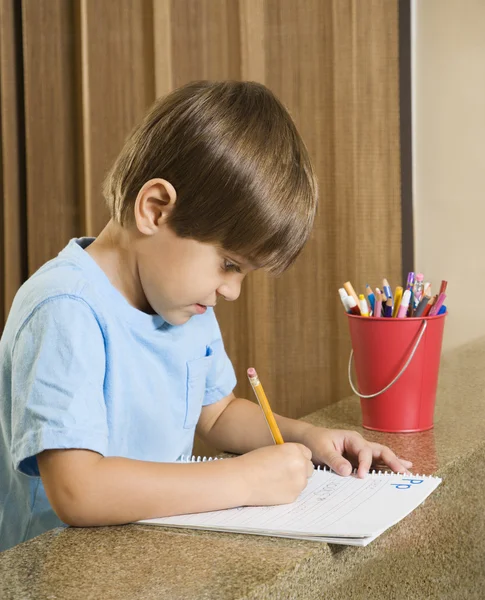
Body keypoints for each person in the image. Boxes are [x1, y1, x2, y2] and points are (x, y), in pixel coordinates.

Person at [0, 80, 412, 551]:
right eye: (228, 264)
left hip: (145, 558)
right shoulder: (65, 308)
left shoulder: (181, 305)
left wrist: (310, 439)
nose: (231, 291)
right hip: (58, 573)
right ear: (155, 210)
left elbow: (217, 415)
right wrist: (242, 480)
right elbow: (78, 490)